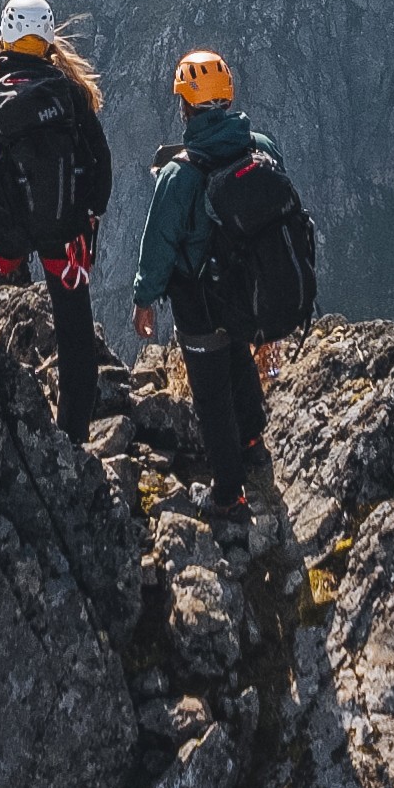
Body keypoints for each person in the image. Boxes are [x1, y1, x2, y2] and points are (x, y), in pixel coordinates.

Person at [131, 47, 301, 531]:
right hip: (249, 294)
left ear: (184, 105)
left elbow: (160, 243)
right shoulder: (261, 146)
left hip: (200, 302)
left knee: (211, 394)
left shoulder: (180, 174)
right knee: (240, 360)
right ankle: (253, 445)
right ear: (227, 98)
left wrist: (145, 300)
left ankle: (228, 496)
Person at [0, 0, 116, 426]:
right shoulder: (72, 92)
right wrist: (92, 209)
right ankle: (74, 429)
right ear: (48, 36)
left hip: (7, 228)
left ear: (6, 33)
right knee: (74, 327)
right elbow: (99, 157)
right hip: (63, 227)